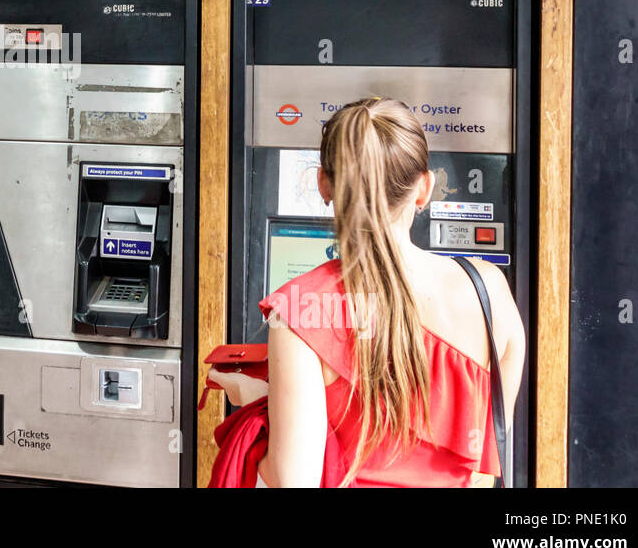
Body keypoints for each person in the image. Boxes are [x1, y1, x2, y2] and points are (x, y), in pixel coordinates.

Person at [209, 97, 525, 487]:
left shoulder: (298, 309)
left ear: (324, 184)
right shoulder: (489, 289)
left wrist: (258, 408)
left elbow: (293, 481)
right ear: (424, 188)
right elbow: (487, 456)